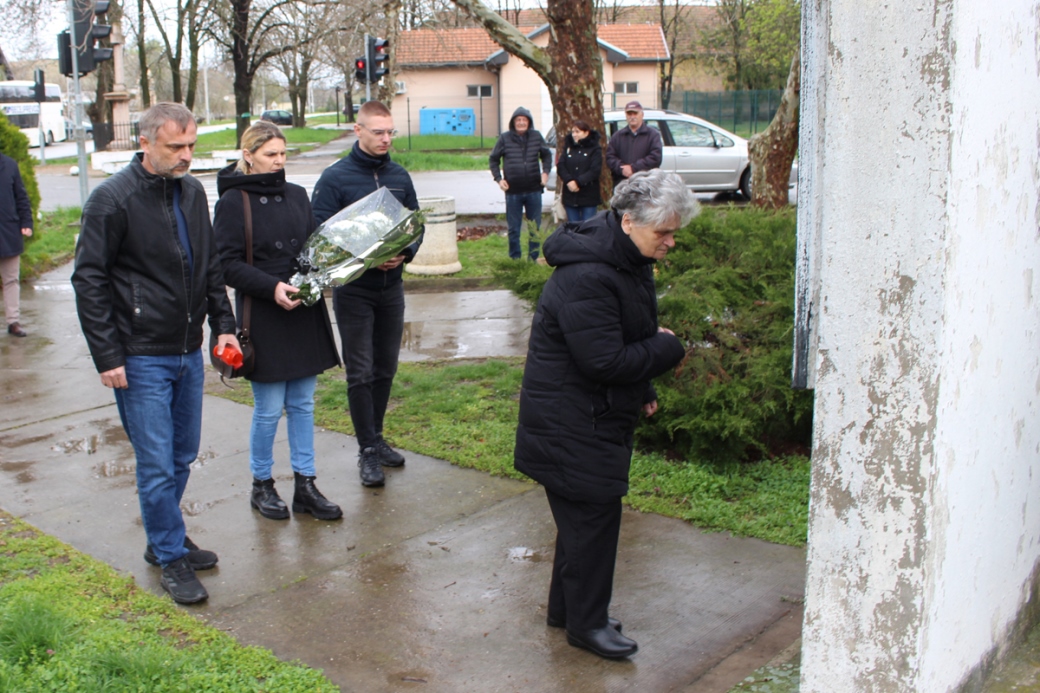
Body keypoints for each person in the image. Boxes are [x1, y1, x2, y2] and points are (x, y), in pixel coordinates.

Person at [514, 169, 698, 659]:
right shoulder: (590, 275)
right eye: (663, 232)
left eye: (674, 232)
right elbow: (606, 360)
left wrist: (644, 385)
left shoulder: (625, 258)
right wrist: (669, 348)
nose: (671, 242)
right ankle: (587, 626)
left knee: (582, 522)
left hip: (587, 413)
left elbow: (625, 334)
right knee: (593, 520)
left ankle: (567, 612)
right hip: (572, 422)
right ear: (629, 221)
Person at [71, 102, 239, 606]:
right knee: (157, 463)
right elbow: (89, 279)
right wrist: (107, 355)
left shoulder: (192, 192)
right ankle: (169, 555)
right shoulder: (112, 200)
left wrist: (224, 327)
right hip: (139, 355)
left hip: (187, 349)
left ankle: (162, 536)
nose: (186, 156)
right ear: (144, 142)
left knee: (182, 454)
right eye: (175, 147)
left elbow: (209, 266)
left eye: (192, 146)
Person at [214, 121, 342, 522]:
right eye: (270, 154)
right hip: (264, 314)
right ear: (248, 155)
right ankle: (262, 484)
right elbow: (226, 264)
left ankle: (306, 485)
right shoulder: (233, 201)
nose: (279, 161)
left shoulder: (297, 195)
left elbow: (312, 250)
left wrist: (327, 269)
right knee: (268, 409)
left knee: (302, 404)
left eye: (283, 154)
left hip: (301, 311)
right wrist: (271, 287)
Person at [311, 100, 423, 488]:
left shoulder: (399, 175)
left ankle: (376, 436)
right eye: (378, 132)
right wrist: (368, 258)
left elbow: (415, 224)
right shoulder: (335, 178)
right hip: (355, 291)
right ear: (358, 131)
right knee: (360, 372)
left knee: (386, 368)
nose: (386, 139)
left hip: (392, 289)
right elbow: (320, 233)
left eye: (390, 132)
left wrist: (405, 252)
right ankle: (367, 450)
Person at [488, 107, 552, 260]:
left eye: (524, 120)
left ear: (529, 122)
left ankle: (533, 258)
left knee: (534, 228)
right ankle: (515, 259)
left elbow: (547, 156)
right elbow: (493, 159)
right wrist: (499, 179)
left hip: (534, 190)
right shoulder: (504, 138)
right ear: (513, 122)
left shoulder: (536, 136)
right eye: (518, 120)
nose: (521, 122)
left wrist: (545, 173)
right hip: (513, 192)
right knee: (514, 229)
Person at [0, 152, 33, 337]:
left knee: (11, 279)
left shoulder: (9, 165)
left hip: (8, 232)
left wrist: (26, 222)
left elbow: (21, 197)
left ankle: (13, 322)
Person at [605, 101, 663, 189]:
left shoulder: (653, 135)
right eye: (629, 114)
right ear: (626, 115)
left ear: (642, 115)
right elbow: (610, 157)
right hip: (622, 184)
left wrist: (634, 168)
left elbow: (655, 157)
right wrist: (622, 169)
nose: (632, 116)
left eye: (635, 113)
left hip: (646, 184)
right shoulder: (617, 136)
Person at [556, 120, 602, 223]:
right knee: (573, 227)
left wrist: (578, 182)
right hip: (570, 195)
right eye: (573, 132)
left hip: (588, 196)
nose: (574, 135)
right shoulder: (568, 148)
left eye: (577, 132)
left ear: (586, 133)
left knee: (588, 226)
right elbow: (561, 166)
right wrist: (569, 180)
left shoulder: (595, 149)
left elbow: (595, 170)